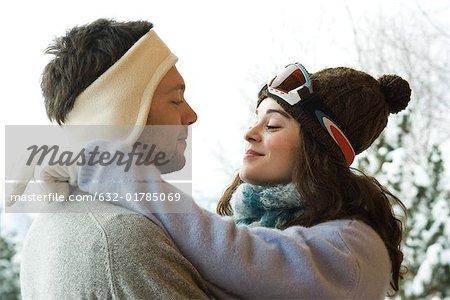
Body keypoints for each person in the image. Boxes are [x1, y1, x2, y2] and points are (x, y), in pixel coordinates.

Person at [73, 62, 412, 299]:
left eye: (273, 125)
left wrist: (110, 169)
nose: (250, 134)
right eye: (255, 120)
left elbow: (242, 257)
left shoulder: (353, 251)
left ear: (317, 149)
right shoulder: (246, 225)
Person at [18, 18, 210, 299]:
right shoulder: (124, 238)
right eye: (175, 100)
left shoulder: (41, 231)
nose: (191, 116)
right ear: (122, 116)